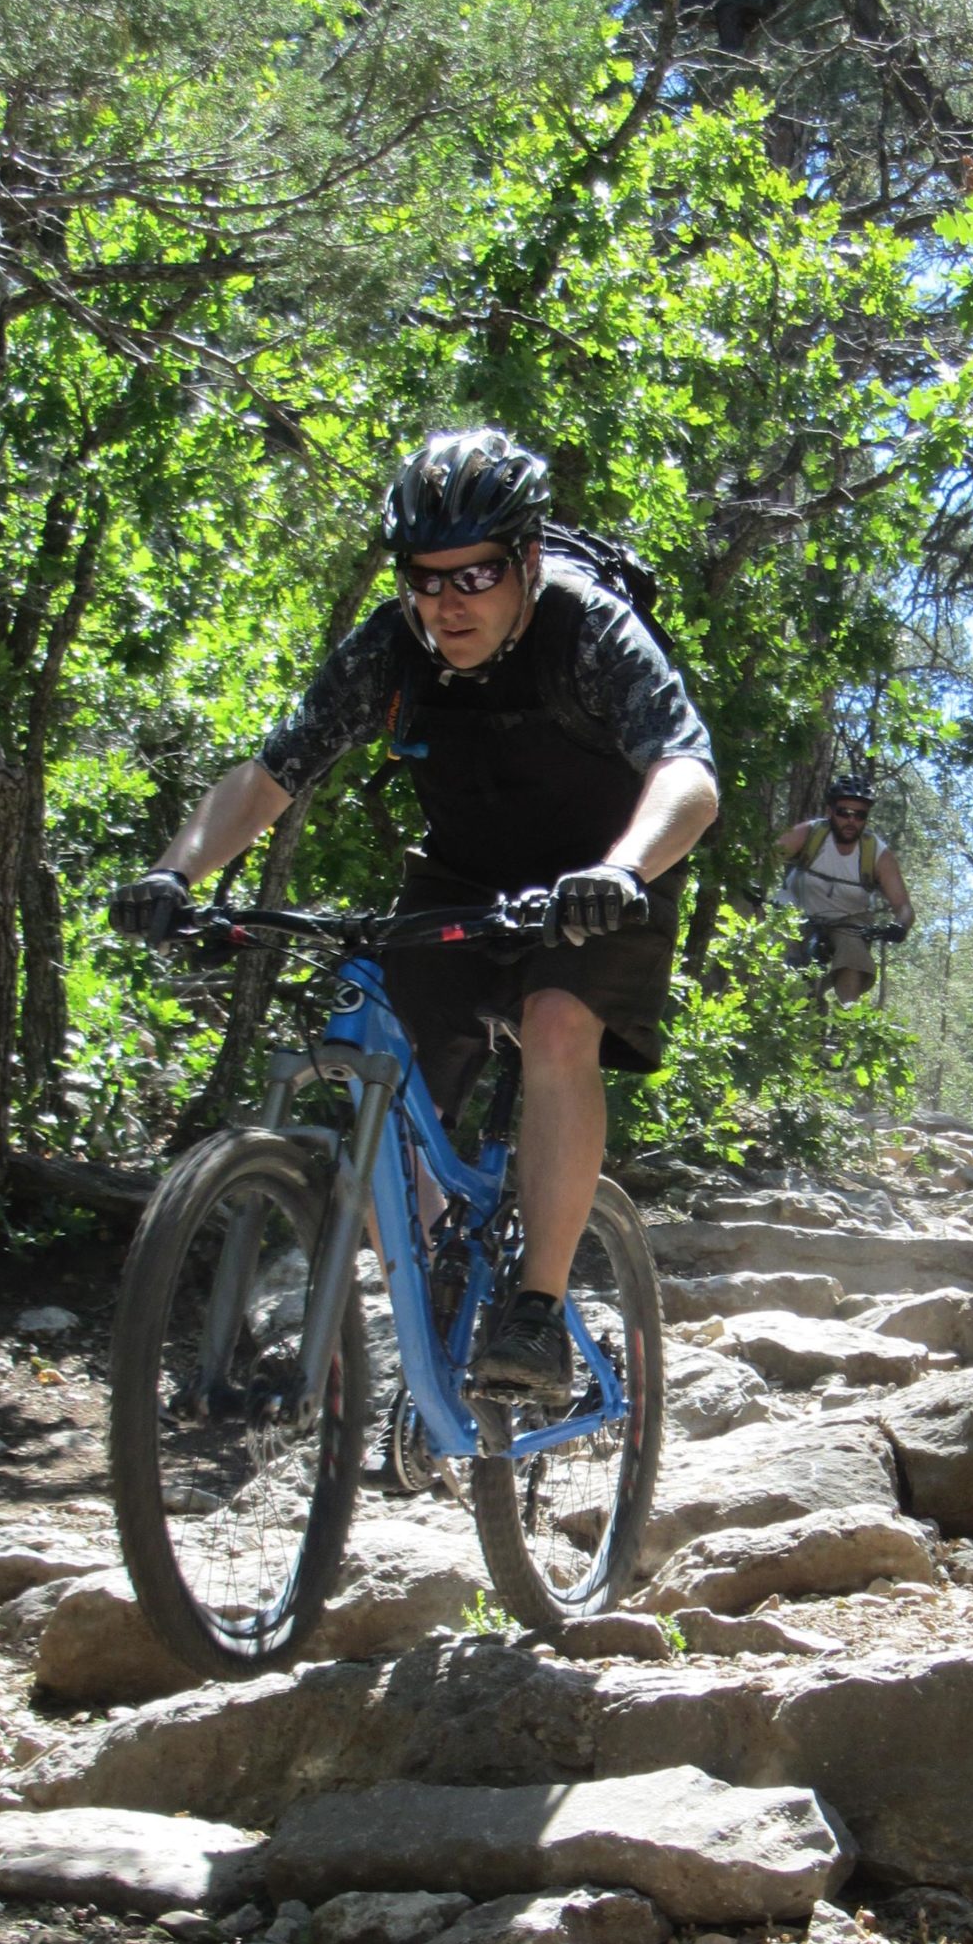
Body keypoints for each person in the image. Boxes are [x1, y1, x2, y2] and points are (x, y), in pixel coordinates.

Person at [108, 428, 719, 1397]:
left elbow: (687, 772)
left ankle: (537, 1310)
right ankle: (440, 1267)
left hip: (606, 872)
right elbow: (273, 773)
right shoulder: (392, 650)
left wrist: (622, 869)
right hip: (465, 875)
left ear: (524, 561)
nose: (447, 603)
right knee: (385, 1079)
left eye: (475, 576)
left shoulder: (588, 628)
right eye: (426, 579)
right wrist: (175, 873)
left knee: (555, 1021)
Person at [776, 773, 914, 1003]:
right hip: (796, 911)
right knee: (781, 961)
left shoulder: (877, 854)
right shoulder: (810, 834)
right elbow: (768, 854)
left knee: (853, 961)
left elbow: (903, 906)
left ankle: (847, 1024)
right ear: (830, 812)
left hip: (848, 919)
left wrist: (899, 926)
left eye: (860, 815)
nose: (851, 821)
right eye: (844, 813)